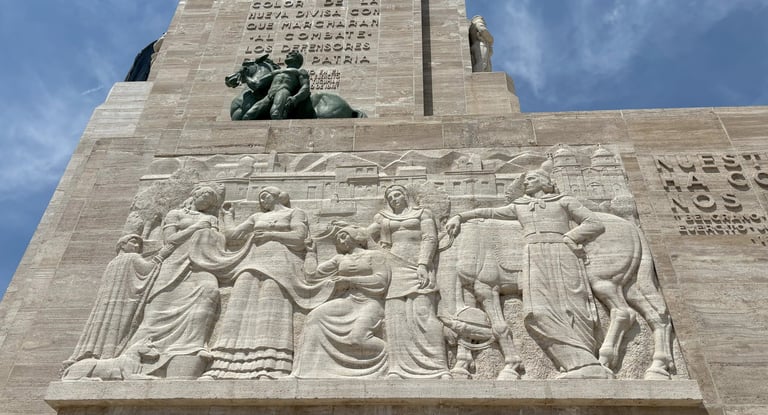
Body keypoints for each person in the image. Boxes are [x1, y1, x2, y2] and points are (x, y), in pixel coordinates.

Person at [446, 169, 613, 379]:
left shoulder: (563, 201)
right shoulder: (520, 205)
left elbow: (594, 223)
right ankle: (577, 364)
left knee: (572, 307)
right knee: (536, 313)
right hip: (533, 254)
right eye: (525, 180)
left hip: (562, 252)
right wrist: (461, 216)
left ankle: (588, 364)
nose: (526, 183)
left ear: (545, 182)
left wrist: (571, 237)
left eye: (531, 179)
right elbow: (490, 212)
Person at [203, 186, 334, 379]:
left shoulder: (294, 212)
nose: (262, 200)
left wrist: (272, 235)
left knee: (272, 307)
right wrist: (228, 216)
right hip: (252, 260)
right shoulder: (256, 217)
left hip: (281, 262)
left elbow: (300, 238)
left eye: (265, 196)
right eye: (260, 198)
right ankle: (223, 365)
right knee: (239, 304)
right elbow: (233, 236)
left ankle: (270, 366)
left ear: (277, 196)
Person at [123, 184, 227, 378]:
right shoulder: (175, 214)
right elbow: (170, 239)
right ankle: (138, 354)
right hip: (175, 260)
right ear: (194, 194)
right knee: (159, 305)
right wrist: (196, 228)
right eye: (204, 194)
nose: (206, 198)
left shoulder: (211, 218)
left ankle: (195, 345)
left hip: (203, 261)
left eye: (211, 198)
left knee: (210, 291)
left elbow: (220, 240)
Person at [369, 185, 450, 379]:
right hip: (394, 266)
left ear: (405, 196)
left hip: (418, 265)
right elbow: (366, 235)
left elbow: (430, 237)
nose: (394, 199)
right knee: (395, 316)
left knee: (424, 313)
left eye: (397, 195)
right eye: (390, 197)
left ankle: (439, 367)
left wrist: (423, 263)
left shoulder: (423, 213)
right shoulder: (383, 217)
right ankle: (396, 368)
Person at [291, 225, 390, 379]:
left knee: (358, 339)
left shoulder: (375, 256)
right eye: (338, 239)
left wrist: (350, 280)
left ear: (356, 237)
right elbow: (312, 276)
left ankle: (392, 355)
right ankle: (306, 372)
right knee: (314, 317)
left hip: (370, 302)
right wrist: (311, 253)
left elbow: (381, 281)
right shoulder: (339, 259)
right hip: (348, 301)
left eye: (344, 235)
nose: (340, 240)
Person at [63, 234, 162, 368]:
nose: (137, 246)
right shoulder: (132, 257)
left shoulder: (113, 262)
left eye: (139, 245)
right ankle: (108, 355)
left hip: (106, 303)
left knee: (100, 325)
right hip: (123, 300)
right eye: (133, 242)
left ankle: (91, 352)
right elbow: (147, 269)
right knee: (118, 326)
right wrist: (163, 253)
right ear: (122, 244)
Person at [242, 51, 311, 120]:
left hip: (283, 91)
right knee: (248, 116)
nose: (288, 54)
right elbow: (256, 84)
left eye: (292, 54)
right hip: (269, 95)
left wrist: (296, 98)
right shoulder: (275, 72)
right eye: (288, 54)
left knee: (275, 113)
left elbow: (305, 87)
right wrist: (245, 76)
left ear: (297, 59)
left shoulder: (299, 71)